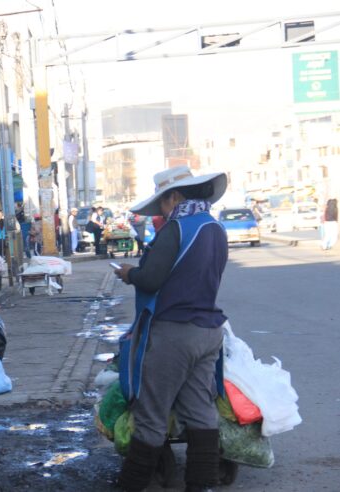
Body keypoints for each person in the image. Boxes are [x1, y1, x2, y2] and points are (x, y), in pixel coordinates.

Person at [112, 166, 229, 492]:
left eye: (163, 204)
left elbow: (151, 279)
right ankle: (201, 485)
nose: (162, 212)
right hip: (209, 331)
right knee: (200, 412)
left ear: (174, 197)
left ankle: (131, 486)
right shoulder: (215, 228)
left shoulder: (176, 229)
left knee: (151, 415)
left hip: (175, 333)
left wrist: (128, 274)